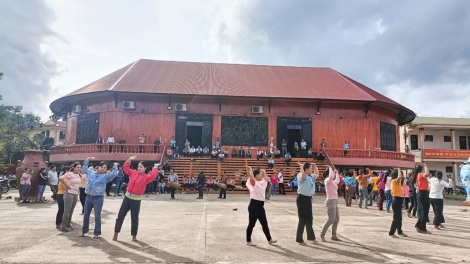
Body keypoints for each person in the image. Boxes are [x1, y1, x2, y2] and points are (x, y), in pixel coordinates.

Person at [113, 157, 159, 242]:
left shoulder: (146, 177)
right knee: (120, 216)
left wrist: (155, 167)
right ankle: (116, 233)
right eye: (138, 166)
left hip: (136, 200)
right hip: (127, 198)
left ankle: (134, 236)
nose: (139, 168)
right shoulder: (133, 172)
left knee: (134, 218)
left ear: (145, 168)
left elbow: (153, 176)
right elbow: (126, 169)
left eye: (141, 167)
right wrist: (129, 160)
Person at [80, 158, 118, 238]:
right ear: (98, 167)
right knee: (86, 214)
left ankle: (96, 233)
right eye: (101, 167)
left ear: (106, 170)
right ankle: (84, 231)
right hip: (89, 197)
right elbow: (85, 168)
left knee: (97, 215)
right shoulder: (91, 173)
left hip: (98, 198)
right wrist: (87, 160)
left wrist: (115, 166)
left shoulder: (106, 177)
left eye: (105, 168)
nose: (102, 169)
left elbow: (113, 174)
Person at [245, 166, 277, 246]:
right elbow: (252, 179)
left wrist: (264, 172)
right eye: (260, 174)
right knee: (252, 223)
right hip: (254, 205)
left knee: (264, 223)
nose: (262, 175)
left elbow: (266, 180)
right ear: (256, 175)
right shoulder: (253, 182)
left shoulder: (262, 182)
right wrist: (251, 171)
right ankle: (248, 240)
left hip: (260, 206)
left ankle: (269, 239)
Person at [296, 162, 319, 245]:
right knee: (302, 219)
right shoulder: (300, 175)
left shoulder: (311, 177)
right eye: (310, 168)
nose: (311, 169)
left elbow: (317, 174)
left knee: (310, 218)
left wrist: (315, 165)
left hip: (309, 199)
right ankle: (299, 239)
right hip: (302, 198)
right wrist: (301, 169)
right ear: (306, 169)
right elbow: (302, 178)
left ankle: (311, 237)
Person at [59, 162, 83, 232]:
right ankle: (65, 227)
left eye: (80, 167)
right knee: (67, 211)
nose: (79, 169)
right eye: (77, 167)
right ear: (74, 168)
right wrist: (67, 185)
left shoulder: (80, 175)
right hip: (69, 193)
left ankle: (68, 225)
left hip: (75, 194)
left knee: (71, 210)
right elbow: (60, 178)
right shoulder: (70, 174)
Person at [320, 166, 341, 242]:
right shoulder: (327, 180)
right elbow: (331, 176)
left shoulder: (332, 182)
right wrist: (330, 168)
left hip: (335, 201)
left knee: (336, 219)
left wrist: (337, 173)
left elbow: (337, 180)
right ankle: (322, 234)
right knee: (331, 219)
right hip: (330, 201)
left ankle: (334, 235)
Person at [389, 169, 408, 238]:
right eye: (401, 174)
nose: (402, 176)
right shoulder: (394, 181)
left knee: (399, 218)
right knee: (396, 218)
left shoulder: (399, 183)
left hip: (399, 200)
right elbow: (399, 177)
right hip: (396, 200)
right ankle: (391, 233)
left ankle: (399, 231)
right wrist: (399, 168)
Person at [413, 164, 431, 234]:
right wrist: (426, 165)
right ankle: (422, 228)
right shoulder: (420, 175)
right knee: (425, 212)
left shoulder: (419, 175)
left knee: (425, 211)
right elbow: (427, 174)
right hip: (423, 194)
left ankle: (419, 226)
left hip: (423, 193)